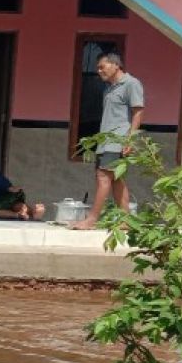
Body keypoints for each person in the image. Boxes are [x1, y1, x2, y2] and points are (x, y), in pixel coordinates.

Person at [71, 52, 145, 230]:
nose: (99, 71)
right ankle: (126, 220)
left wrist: (130, 140)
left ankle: (92, 220)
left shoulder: (131, 83)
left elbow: (138, 112)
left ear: (116, 65)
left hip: (118, 140)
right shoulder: (109, 88)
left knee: (103, 177)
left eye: (102, 67)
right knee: (117, 179)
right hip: (106, 141)